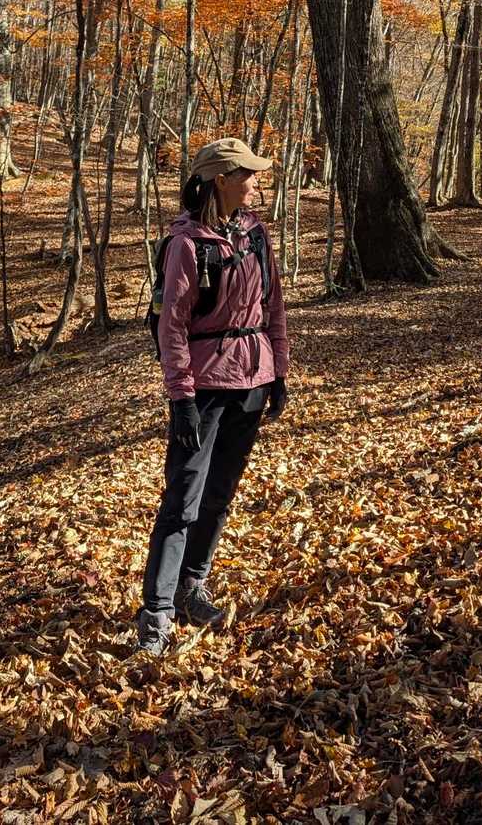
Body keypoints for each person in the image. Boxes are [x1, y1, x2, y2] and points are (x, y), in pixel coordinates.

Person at [135, 137, 289, 656]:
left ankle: (190, 588)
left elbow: (274, 307)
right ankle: (156, 613)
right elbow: (172, 327)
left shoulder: (256, 234)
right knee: (183, 500)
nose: (256, 183)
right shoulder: (185, 244)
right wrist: (181, 398)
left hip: (252, 381)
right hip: (203, 390)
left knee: (219, 496)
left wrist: (279, 373)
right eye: (248, 175)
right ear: (221, 180)